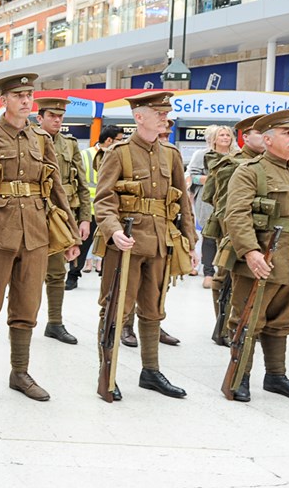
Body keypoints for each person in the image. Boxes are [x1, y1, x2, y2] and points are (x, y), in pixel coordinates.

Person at [0, 74, 79, 404]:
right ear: (3, 100)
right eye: (18, 95)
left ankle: (19, 372)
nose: (25, 100)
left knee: (27, 306)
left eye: (29, 94)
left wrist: (72, 232)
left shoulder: (41, 138)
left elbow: (56, 185)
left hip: (35, 232)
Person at [93, 91, 197, 400]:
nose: (165, 117)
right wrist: (112, 231)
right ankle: (106, 371)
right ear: (139, 117)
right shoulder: (119, 153)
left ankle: (151, 371)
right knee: (115, 308)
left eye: (166, 113)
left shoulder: (171, 154)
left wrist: (189, 240)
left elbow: (183, 202)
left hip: (160, 243)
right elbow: (103, 200)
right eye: (158, 112)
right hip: (126, 244)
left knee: (154, 310)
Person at [222, 109, 289, 402]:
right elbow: (237, 214)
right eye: (288, 134)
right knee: (247, 320)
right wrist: (250, 251)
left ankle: (276, 376)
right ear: (267, 140)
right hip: (262, 260)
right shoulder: (250, 171)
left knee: (283, 321)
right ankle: (239, 376)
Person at [201, 115, 266, 344]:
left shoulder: (270, 162)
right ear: (246, 137)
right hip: (233, 229)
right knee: (227, 277)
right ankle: (225, 326)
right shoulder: (232, 162)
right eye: (259, 133)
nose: (265, 137)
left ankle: (250, 325)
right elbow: (216, 199)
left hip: (263, 232)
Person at [35, 97, 91, 345]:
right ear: (40, 118)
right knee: (25, 273)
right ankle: (21, 322)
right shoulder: (30, 140)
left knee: (58, 272)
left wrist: (84, 219)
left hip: (62, 215)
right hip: (34, 212)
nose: (58, 121)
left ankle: (55, 322)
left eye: (61, 117)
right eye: (52, 116)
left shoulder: (70, 144)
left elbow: (82, 184)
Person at [70, 125, 125, 285]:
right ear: (109, 140)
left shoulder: (120, 156)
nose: (123, 143)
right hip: (90, 210)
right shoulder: (85, 155)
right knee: (82, 243)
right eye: (119, 140)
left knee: (112, 246)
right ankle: (73, 275)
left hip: (113, 211)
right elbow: (80, 183)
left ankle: (107, 277)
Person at [187, 125, 237, 289]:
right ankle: (208, 273)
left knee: (228, 236)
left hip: (231, 200)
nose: (225, 137)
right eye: (221, 135)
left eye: (228, 135)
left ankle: (225, 273)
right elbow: (191, 177)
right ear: (214, 138)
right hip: (208, 200)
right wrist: (210, 179)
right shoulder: (202, 155)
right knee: (209, 236)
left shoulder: (238, 155)